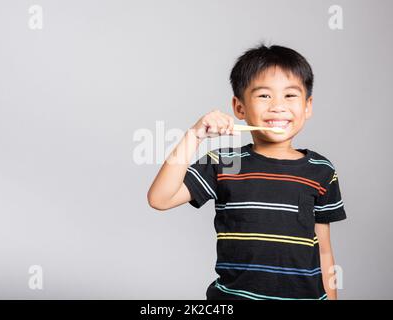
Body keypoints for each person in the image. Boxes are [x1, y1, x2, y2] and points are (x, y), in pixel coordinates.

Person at [147, 44, 347, 300]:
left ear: (307, 106)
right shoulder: (226, 162)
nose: (278, 106)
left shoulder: (321, 170)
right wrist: (194, 135)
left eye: (290, 96)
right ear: (239, 107)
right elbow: (160, 199)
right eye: (264, 96)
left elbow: (324, 250)